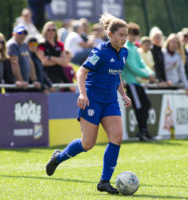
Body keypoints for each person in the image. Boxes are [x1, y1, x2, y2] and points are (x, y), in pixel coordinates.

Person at [45, 13, 131, 194]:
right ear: (110, 34)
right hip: (92, 100)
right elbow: (81, 73)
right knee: (87, 144)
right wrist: (82, 94)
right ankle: (58, 158)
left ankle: (104, 182)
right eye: (121, 35)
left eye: (126, 35)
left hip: (110, 101)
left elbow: (117, 74)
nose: (124, 39)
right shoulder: (100, 51)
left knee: (116, 138)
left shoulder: (124, 52)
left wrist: (122, 94)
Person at [123, 23, 156, 141]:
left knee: (146, 105)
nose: (133, 37)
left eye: (135, 35)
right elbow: (132, 67)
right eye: (131, 34)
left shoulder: (135, 48)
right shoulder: (126, 48)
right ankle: (142, 131)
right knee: (139, 107)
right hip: (131, 83)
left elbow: (142, 64)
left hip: (137, 83)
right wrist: (147, 75)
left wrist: (151, 73)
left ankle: (143, 131)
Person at [7, 24, 41, 92]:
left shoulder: (25, 45)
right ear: (13, 34)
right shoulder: (12, 45)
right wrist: (20, 80)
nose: (22, 35)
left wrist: (34, 80)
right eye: (19, 33)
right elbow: (14, 63)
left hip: (25, 83)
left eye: (25, 33)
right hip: (16, 85)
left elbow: (30, 63)